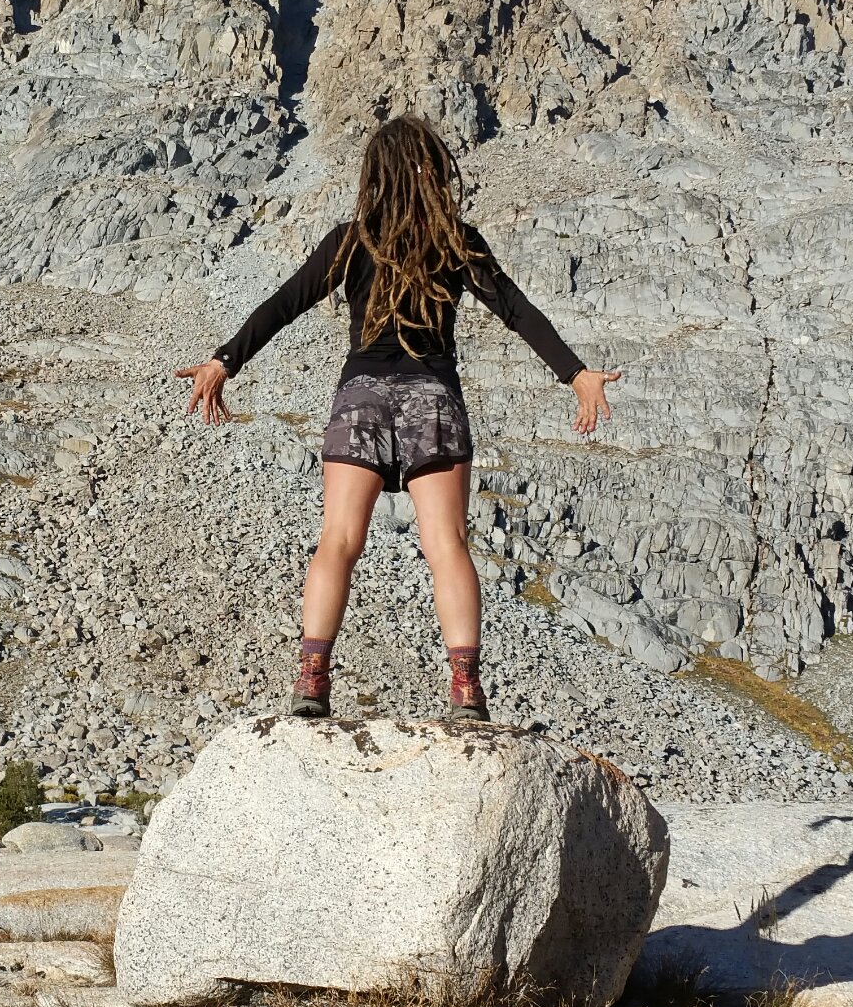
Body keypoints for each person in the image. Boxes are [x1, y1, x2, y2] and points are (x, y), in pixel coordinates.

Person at [174, 116, 619, 722]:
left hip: (360, 397)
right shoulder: (456, 242)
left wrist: (225, 361)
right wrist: (575, 373)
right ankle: (465, 690)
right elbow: (517, 311)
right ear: (433, 172)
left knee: (338, 540)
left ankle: (312, 680)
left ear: (374, 176)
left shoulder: (350, 241)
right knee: (447, 543)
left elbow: (284, 304)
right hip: (433, 398)